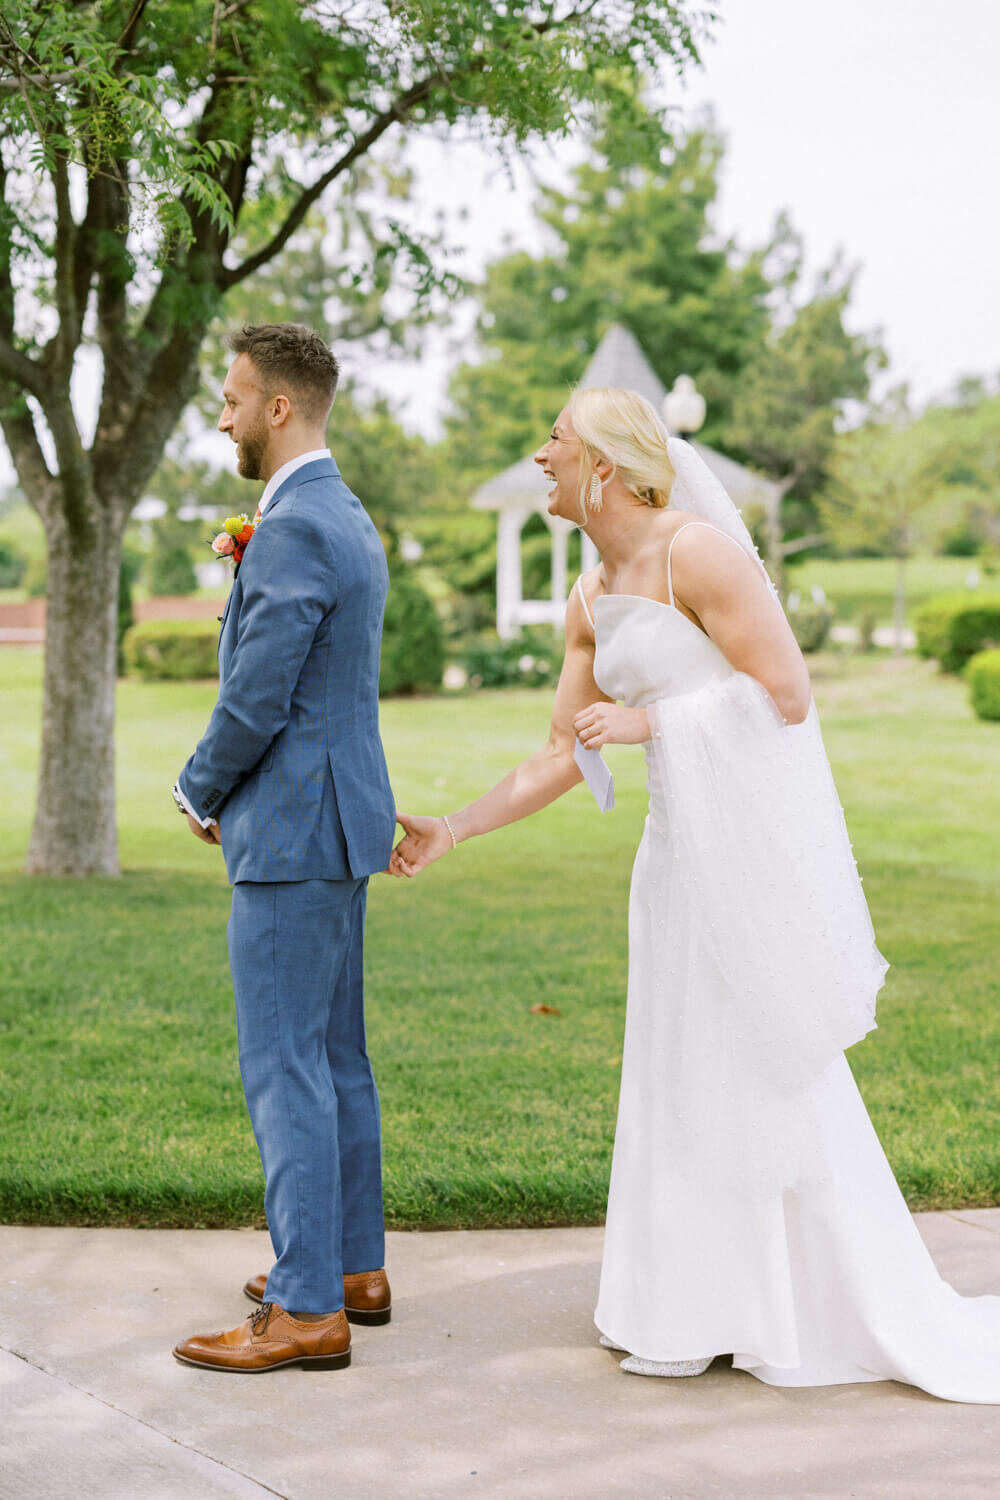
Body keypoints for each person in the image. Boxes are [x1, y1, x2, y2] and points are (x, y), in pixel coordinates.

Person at [390, 386, 1000, 1402]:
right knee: (681, 1066)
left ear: (606, 465)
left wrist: (655, 726)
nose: (538, 457)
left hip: (740, 860)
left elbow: (786, 693)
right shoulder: (589, 596)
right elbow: (557, 749)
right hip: (670, 866)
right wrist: (454, 827)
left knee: (760, 1060)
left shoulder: (697, 554)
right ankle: (691, 1301)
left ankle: (793, 1302)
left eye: (553, 441)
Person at [171, 324, 396, 1372]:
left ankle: (307, 1308)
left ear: (279, 408)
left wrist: (197, 782)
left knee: (284, 1067)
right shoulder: (340, 512)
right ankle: (351, 1265)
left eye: (232, 397)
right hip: (339, 823)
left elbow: (258, 694)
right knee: (335, 1058)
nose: (220, 414)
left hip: (293, 831)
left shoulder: (299, 524)